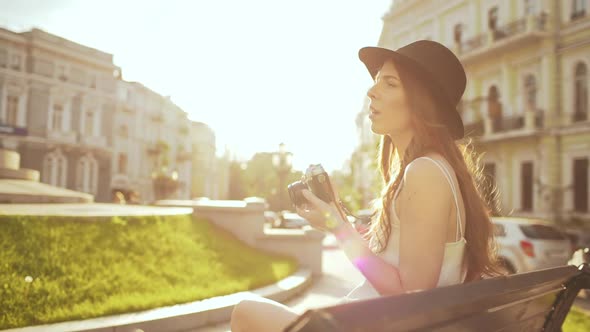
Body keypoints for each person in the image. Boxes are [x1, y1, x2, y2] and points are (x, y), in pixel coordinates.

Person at [230, 40, 503, 332]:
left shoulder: (425, 172)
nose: (372, 91)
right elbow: (399, 264)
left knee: (246, 312)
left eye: (390, 83)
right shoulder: (429, 169)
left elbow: (410, 297)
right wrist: (337, 216)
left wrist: (338, 227)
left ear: (421, 100)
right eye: (376, 82)